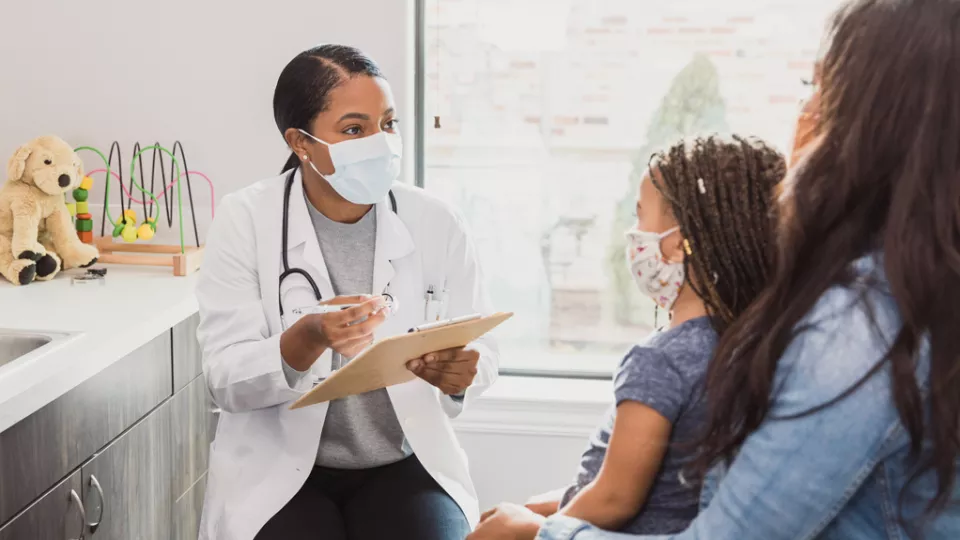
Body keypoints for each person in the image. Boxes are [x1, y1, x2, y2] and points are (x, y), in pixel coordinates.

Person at [479, 0, 960, 538]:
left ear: (869, 124)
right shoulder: (889, 295)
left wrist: (534, 531)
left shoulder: (855, 329)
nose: (802, 114)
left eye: (817, 86)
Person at [195, 44, 499, 540]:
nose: (380, 143)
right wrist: (308, 336)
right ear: (302, 143)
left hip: (403, 463)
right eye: (355, 129)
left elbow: (483, 347)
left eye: (388, 123)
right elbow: (225, 379)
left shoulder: (434, 221)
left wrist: (463, 371)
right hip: (284, 472)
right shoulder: (246, 219)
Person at [470, 135, 785, 539]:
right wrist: (556, 503)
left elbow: (615, 500)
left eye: (640, 217)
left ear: (674, 246)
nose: (634, 234)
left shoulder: (662, 360)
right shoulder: (745, 341)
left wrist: (537, 530)